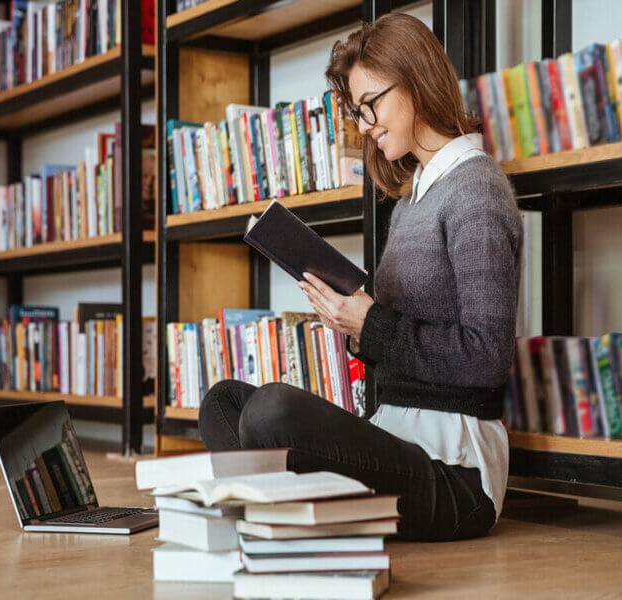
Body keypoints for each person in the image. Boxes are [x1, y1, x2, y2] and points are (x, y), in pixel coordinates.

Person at [198, 13, 522, 542]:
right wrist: (352, 323)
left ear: (415, 80)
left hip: (457, 472)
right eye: (358, 110)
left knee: (272, 411)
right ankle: (287, 511)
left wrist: (371, 325)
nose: (365, 123)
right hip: (394, 433)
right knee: (223, 401)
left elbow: (486, 357)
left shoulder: (476, 189)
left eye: (371, 103)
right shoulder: (417, 193)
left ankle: (274, 509)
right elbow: (397, 333)